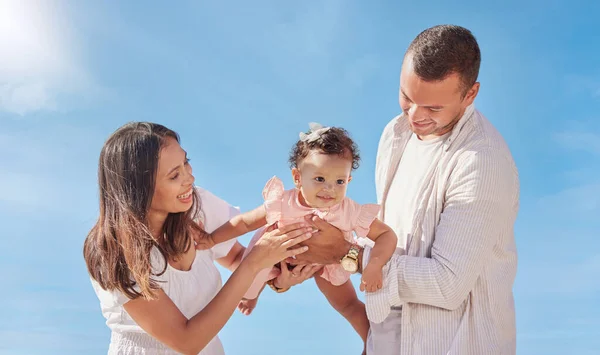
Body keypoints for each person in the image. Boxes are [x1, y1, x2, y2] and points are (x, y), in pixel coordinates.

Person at [284, 25, 520, 355]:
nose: (414, 116)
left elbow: (447, 283)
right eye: (407, 97)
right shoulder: (395, 135)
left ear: (470, 94)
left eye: (433, 108)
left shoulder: (482, 162)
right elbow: (387, 235)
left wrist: (344, 253)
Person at [83, 122, 320, 355]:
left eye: (186, 162)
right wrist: (255, 262)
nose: (189, 178)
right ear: (139, 189)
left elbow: (238, 258)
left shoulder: (196, 207)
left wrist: (277, 280)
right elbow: (187, 342)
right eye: (175, 175)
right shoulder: (113, 251)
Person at [197, 123, 398, 348]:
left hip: (325, 264)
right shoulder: (283, 203)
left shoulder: (347, 210)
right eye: (320, 179)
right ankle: (254, 294)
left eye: (339, 181)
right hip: (278, 256)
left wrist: (374, 265)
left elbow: (386, 235)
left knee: (348, 304)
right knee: (250, 282)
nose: (330, 189)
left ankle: (371, 346)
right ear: (297, 177)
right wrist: (212, 239)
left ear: (349, 180)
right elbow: (244, 223)